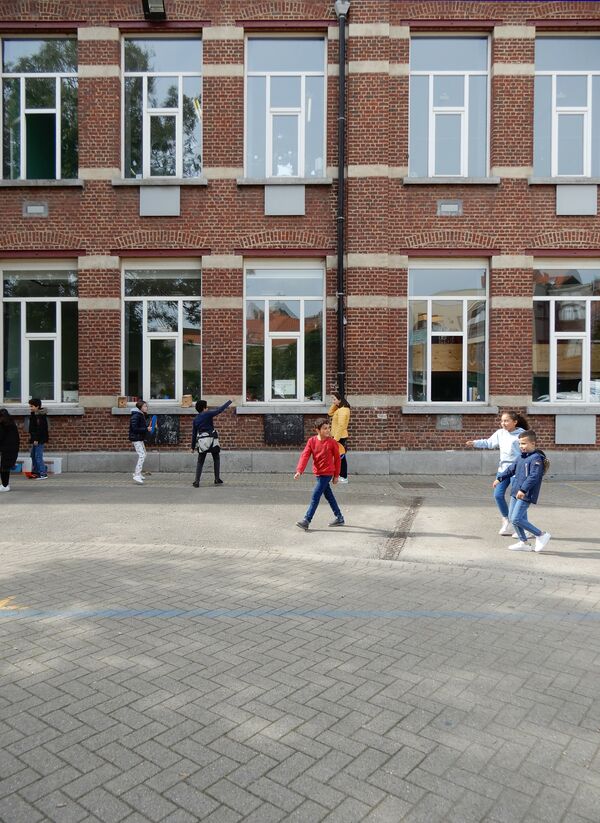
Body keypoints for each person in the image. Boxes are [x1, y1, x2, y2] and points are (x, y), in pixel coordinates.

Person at [466, 410, 528, 535]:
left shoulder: (522, 434)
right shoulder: (500, 433)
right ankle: (507, 521)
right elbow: (489, 442)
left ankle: (525, 527)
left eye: (506, 421)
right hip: (503, 470)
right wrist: (475, 443)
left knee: (517, 497)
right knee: (498, 495)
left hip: (517, 470)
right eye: (502, 421)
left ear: (515, 422)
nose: (503, 423)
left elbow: (527, 451)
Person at [493, 430, 551, 553]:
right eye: (520, 444)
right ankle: (524, 543)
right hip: (516, 492)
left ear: (533, 443)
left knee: (516, 518)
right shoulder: (521, 457)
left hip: (525, 493)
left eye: (524, 444)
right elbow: (511, 469)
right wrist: (500, 478)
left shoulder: (536, 459)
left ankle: (540, 534)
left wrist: (523, 489)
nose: (521, 446)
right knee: (511, 517)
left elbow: (533, 477)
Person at [294, 418, 345, 530]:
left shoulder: (332, 442)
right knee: (329, 496)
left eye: (328, 428)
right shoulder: (311, 441)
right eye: (325, 428)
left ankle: (307, 520)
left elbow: (337, 459)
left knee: (315, 496)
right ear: (317, 430)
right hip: (318, 473)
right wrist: (299, 471)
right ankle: (339, 517)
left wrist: (336, 475)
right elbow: (305, 455)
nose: (328, 430)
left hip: (327, 473)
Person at [190, 399, 232, 487]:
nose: (207, 408)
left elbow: (194, 434)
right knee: (216, 458)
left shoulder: (195, 420)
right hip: (212, 440)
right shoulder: (207, 414)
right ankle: (217, 479)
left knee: (200, 461)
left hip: (202, 442)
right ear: (204, 408)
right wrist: (229, 402)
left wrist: (192, 447)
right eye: (206, 406)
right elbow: (219, 410)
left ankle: (197, 481)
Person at [328, 391, 351, 483]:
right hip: (337, 436)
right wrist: (335, 403)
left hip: (340, 437)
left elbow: (341, 425)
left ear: (340, 400)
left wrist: (335, 439)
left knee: (341, 457)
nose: (333, 401)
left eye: (334, 399)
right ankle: (338, 475)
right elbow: (330, 413)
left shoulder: (343, 410)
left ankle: (344, 476)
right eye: (332, 399)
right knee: (337, 457)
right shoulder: (340, 409)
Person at [129, 400, 152, 484]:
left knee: (144, 454)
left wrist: (147, 428)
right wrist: (146, 429)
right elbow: (134, 429)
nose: (146, 408)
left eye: (146, 406)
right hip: (136, 439)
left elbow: (141, 426)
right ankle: (136, 475)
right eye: (145, 406)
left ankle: (138, 473)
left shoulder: (141, 415)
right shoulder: (136, 416)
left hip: (140, 438)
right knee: (142, 455)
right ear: (140, 407)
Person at [28, 398, 49, 480]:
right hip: (35, 438)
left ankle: (42, 473)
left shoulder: (40, 417)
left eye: (32, 406)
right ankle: (36, 471)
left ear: (37, 406)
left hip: (39, 439)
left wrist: (36, 439)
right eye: (30, 406)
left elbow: (40, 429)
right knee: (33, 455)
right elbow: (32, 428)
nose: (30, 408)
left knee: (38, 456)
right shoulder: (35, 415)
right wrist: (32, 414)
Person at [0, 408, 20, 493]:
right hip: (12, 448)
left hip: (6, 448)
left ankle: (5, 485)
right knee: (5, 467)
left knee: (4, 468)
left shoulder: (3, 425)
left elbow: (1, 437)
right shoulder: (11, 424)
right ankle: (5, 484)